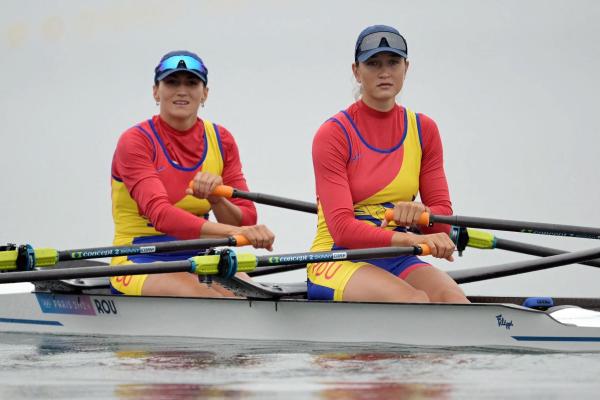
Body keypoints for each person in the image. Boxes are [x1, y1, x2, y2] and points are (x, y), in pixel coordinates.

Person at [308, 25, 468, 303]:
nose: (384, 72)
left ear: (406, 67)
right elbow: (343, 229)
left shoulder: (424, 130)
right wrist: (413, 240)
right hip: (337, 256)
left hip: (397, 255)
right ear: (357, 71)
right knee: (414, 301)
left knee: (452, 301)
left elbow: (441, 224)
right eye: (373, 63)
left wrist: (422, 214)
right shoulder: (333, 134)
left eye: (393, 62)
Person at [110, 50, 274, 297]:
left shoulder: (221, 140)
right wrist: (235, 234)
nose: (182, 90)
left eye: (192, 83)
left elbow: (246, 220)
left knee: (251, 297)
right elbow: (162, 216)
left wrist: (216, 199)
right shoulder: (135, 142)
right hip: (138, 257)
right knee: (208, 297)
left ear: (205, 93)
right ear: (156, 91)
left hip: (201, 256)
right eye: (172, 82)